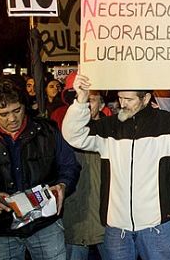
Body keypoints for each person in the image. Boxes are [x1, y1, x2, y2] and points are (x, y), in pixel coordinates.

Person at [62, 69, 170, 260]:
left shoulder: (167, 124)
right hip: (117, 228)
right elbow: (73, 136)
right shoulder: (109, 127)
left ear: (146, 98)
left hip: (158, 226)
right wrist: (80, 100)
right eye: (120, 98)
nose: (122, 104)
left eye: (129, 99)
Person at [0, 81, 80, 259]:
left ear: (24, 106)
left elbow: (69, 166)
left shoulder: (48, 131)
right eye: (3, 114)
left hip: (45, 224)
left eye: (17, 110)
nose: (12, 119)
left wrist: (63, 186)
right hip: (0, 231)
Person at [62, 90, 108, 260]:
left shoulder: (113, 131)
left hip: (108, 218)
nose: (87, 105)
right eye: (82, 100)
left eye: (92, 100)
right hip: (77, 216)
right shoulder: (64, 134)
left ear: (102, 104)